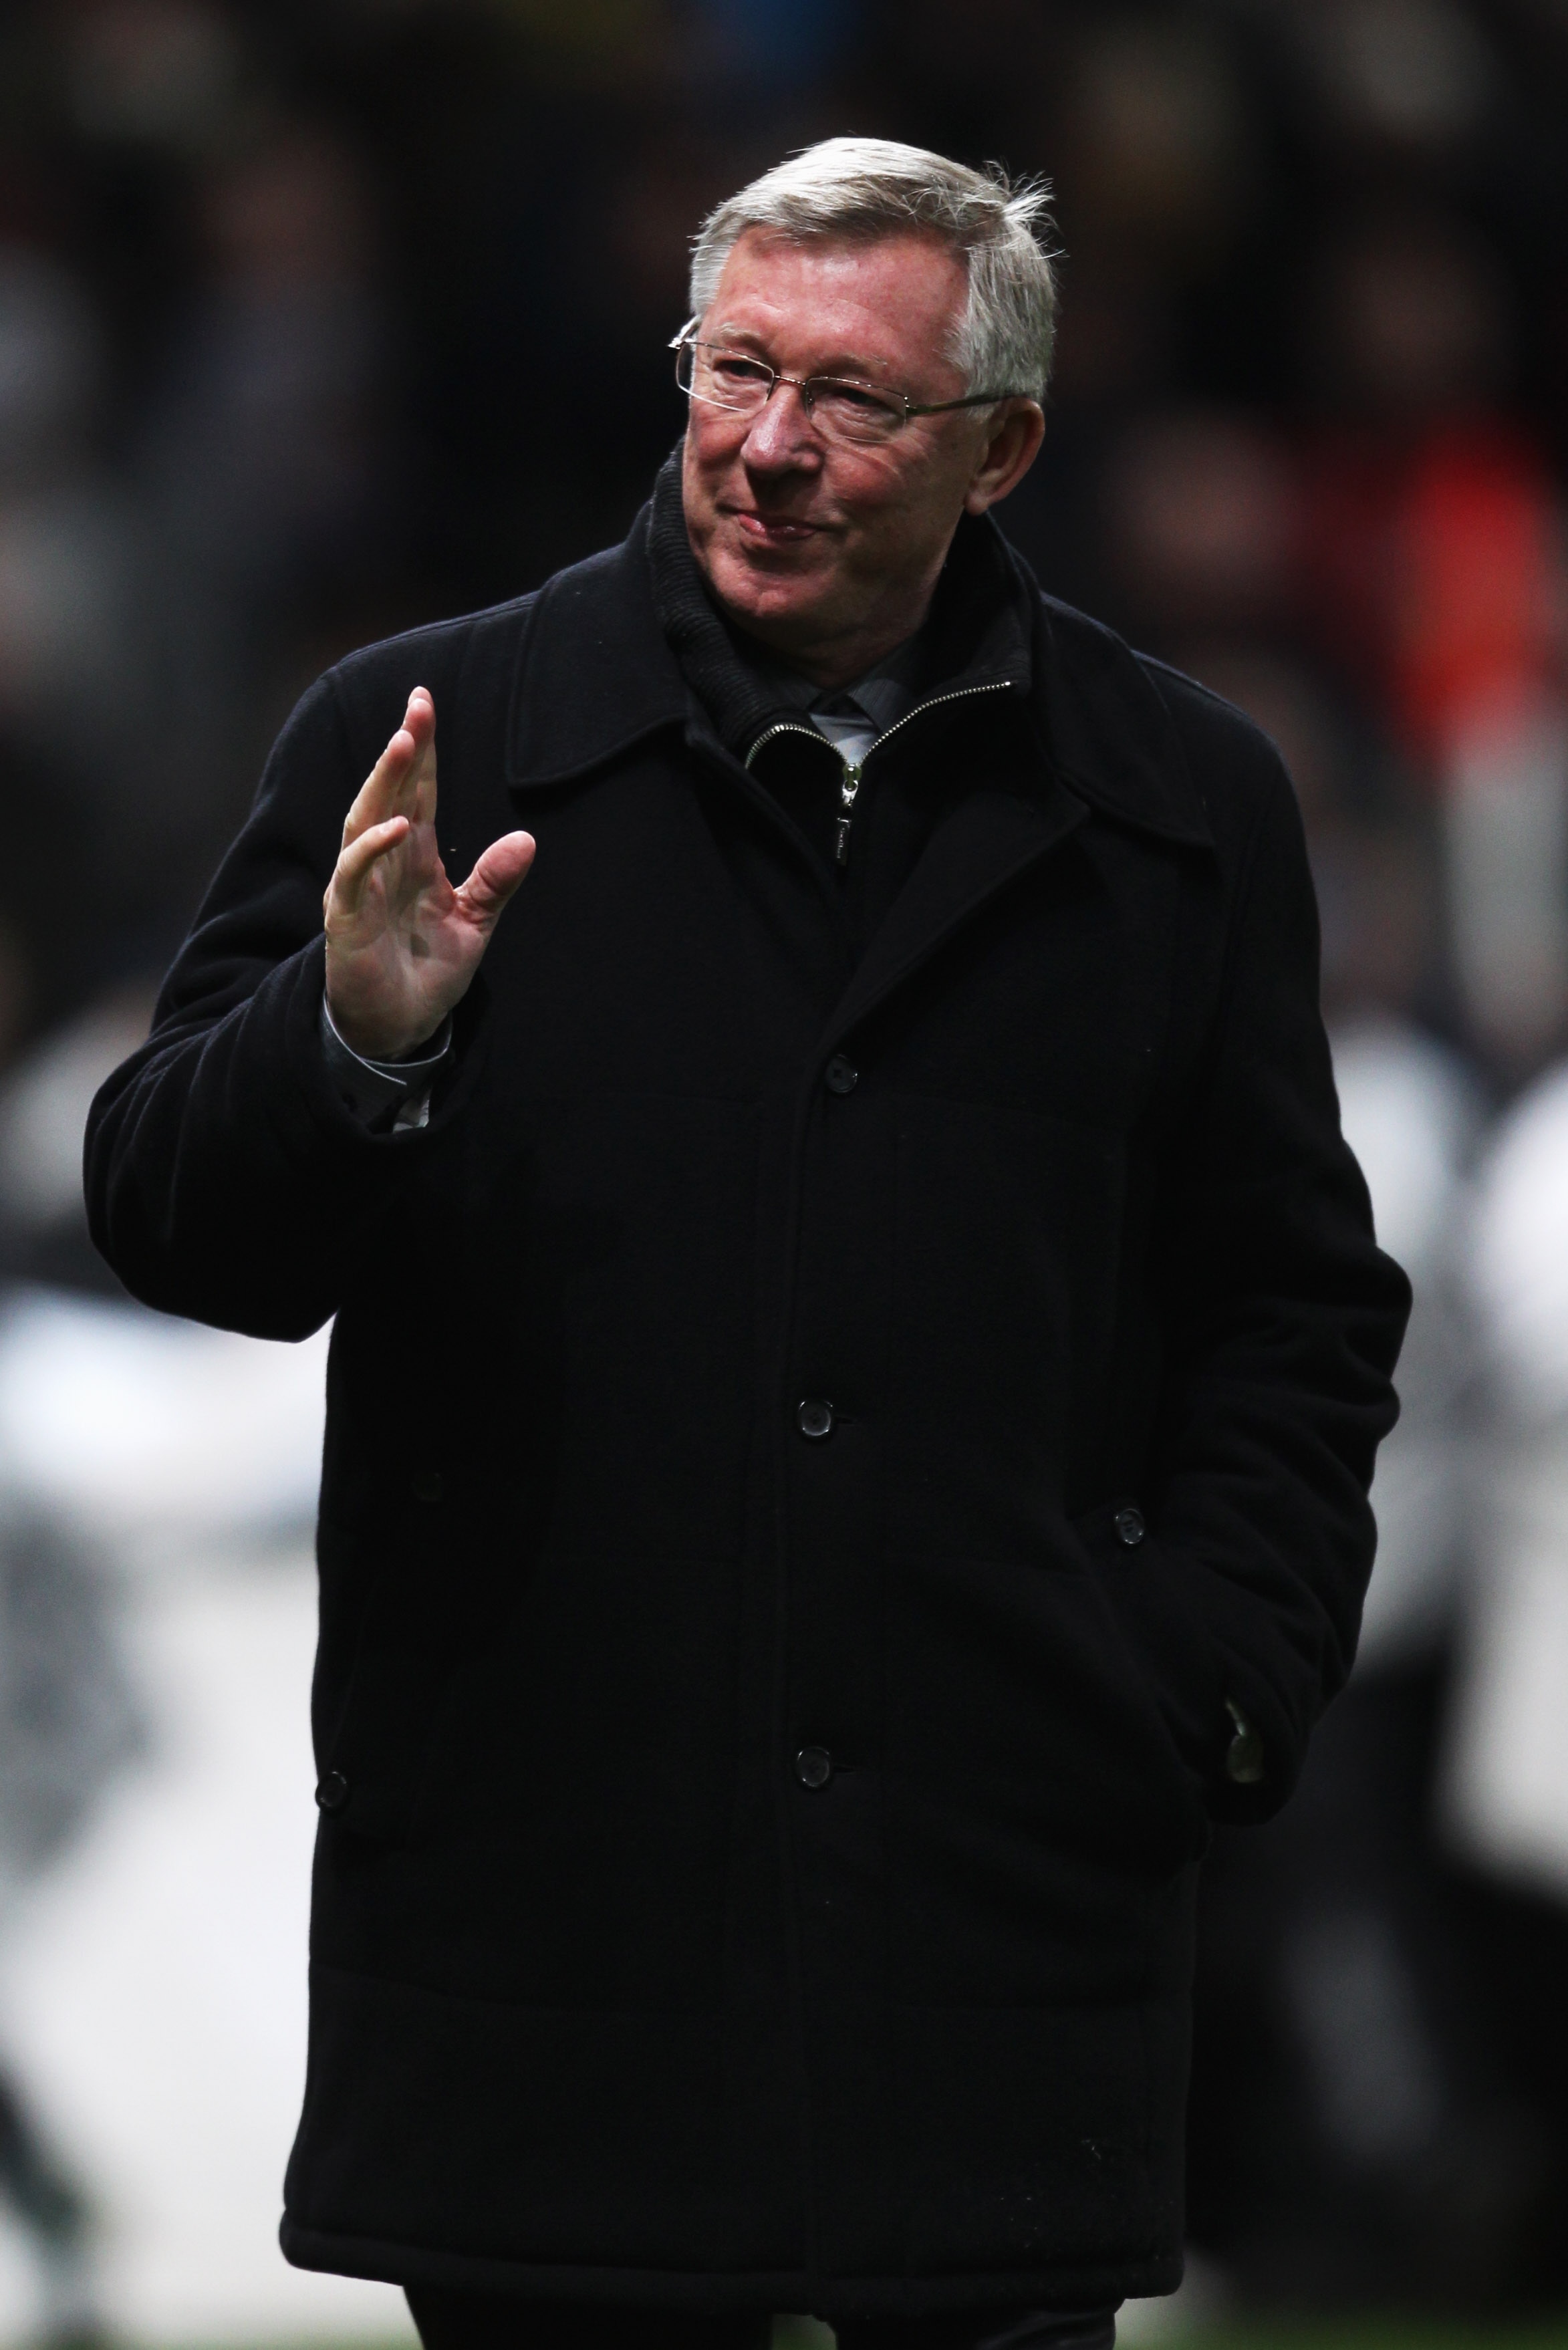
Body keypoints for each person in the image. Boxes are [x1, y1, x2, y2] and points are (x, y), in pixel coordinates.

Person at [84, 140, 1410, 2350]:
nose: (771, 448)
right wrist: (347, 1039)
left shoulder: (1184, 801)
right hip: (546, 1905)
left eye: (855, 402)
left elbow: (1291, 1303)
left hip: (999, 1905)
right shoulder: (427, 736)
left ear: (1003, 449)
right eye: (736, 369)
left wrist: (1212, 1683)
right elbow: (174, 1225)